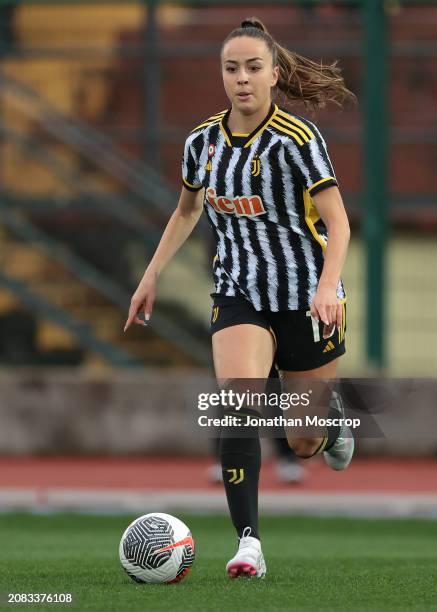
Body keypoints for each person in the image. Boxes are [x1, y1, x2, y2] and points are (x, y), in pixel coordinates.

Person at [124, 17, 357, 579]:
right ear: (222, 76)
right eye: (232, 68)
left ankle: (332, 425)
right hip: (237, 293)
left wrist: (327, 287)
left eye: (254, 68)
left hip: (305, 297)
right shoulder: (201, 142)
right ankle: (249, 542)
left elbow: (340, 225)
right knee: (239, 405)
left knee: (302, 442)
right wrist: (150, 275)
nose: (242, 79)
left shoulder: (299, 140)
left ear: (275, 74)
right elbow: (186, 210)